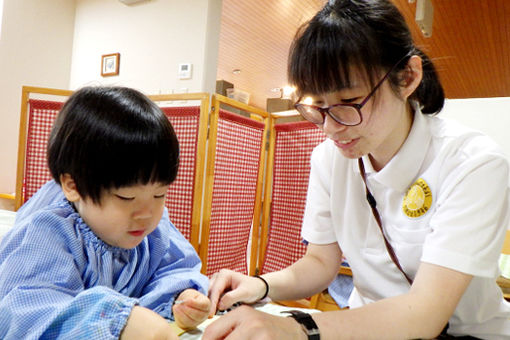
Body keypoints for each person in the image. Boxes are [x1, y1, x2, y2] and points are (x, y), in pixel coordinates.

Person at [204, 0, 510, 339]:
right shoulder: (328, 159)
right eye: (317, 106)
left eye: (349, 103)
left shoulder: (473, 163)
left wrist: (299, 328)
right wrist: (260, 285)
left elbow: (426, 314)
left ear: (407, 77)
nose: (331, 128)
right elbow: (320, 263)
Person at [0, 86, 211, 340]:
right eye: (126, 197)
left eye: (159, 194)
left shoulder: (152, 231)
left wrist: (180, 297)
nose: (146, 214)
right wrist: (114, 320)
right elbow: (28, 310)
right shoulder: (50, 233)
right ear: (73, 186)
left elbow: (173, 268)